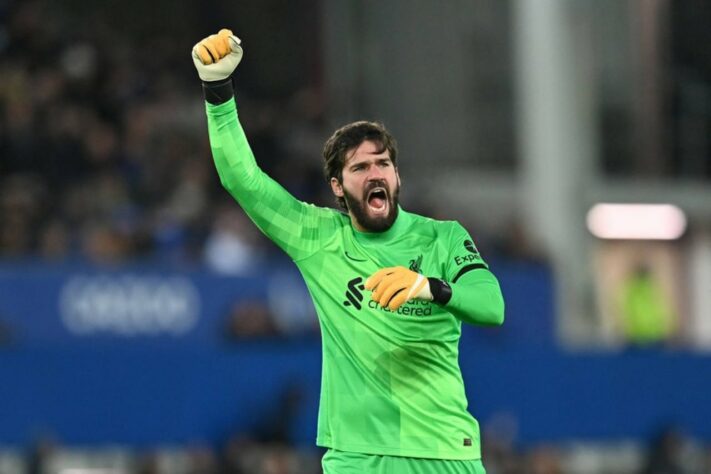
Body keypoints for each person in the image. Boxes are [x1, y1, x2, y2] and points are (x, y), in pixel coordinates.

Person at [192, 29, 505, 474]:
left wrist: (429, 287)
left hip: (443, 452)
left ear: (396, 177)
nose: (375, 172)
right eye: (360, 167)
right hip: (356, 458)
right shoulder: (318, 238)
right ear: (338, 187)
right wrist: (218, 94)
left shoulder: (444, 238)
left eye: (383, 164)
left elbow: (492, 306)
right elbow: (243, 180)